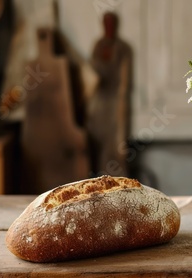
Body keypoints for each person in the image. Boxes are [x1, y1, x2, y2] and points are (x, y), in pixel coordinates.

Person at [86, 11, 132, 177]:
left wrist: (121, 103)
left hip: (115, 102)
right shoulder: (98, 46)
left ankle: (116, 183)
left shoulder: (123, 49)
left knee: (115, 147)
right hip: (99, 103)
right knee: (96, 143)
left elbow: (124, 80)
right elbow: (91, 70)